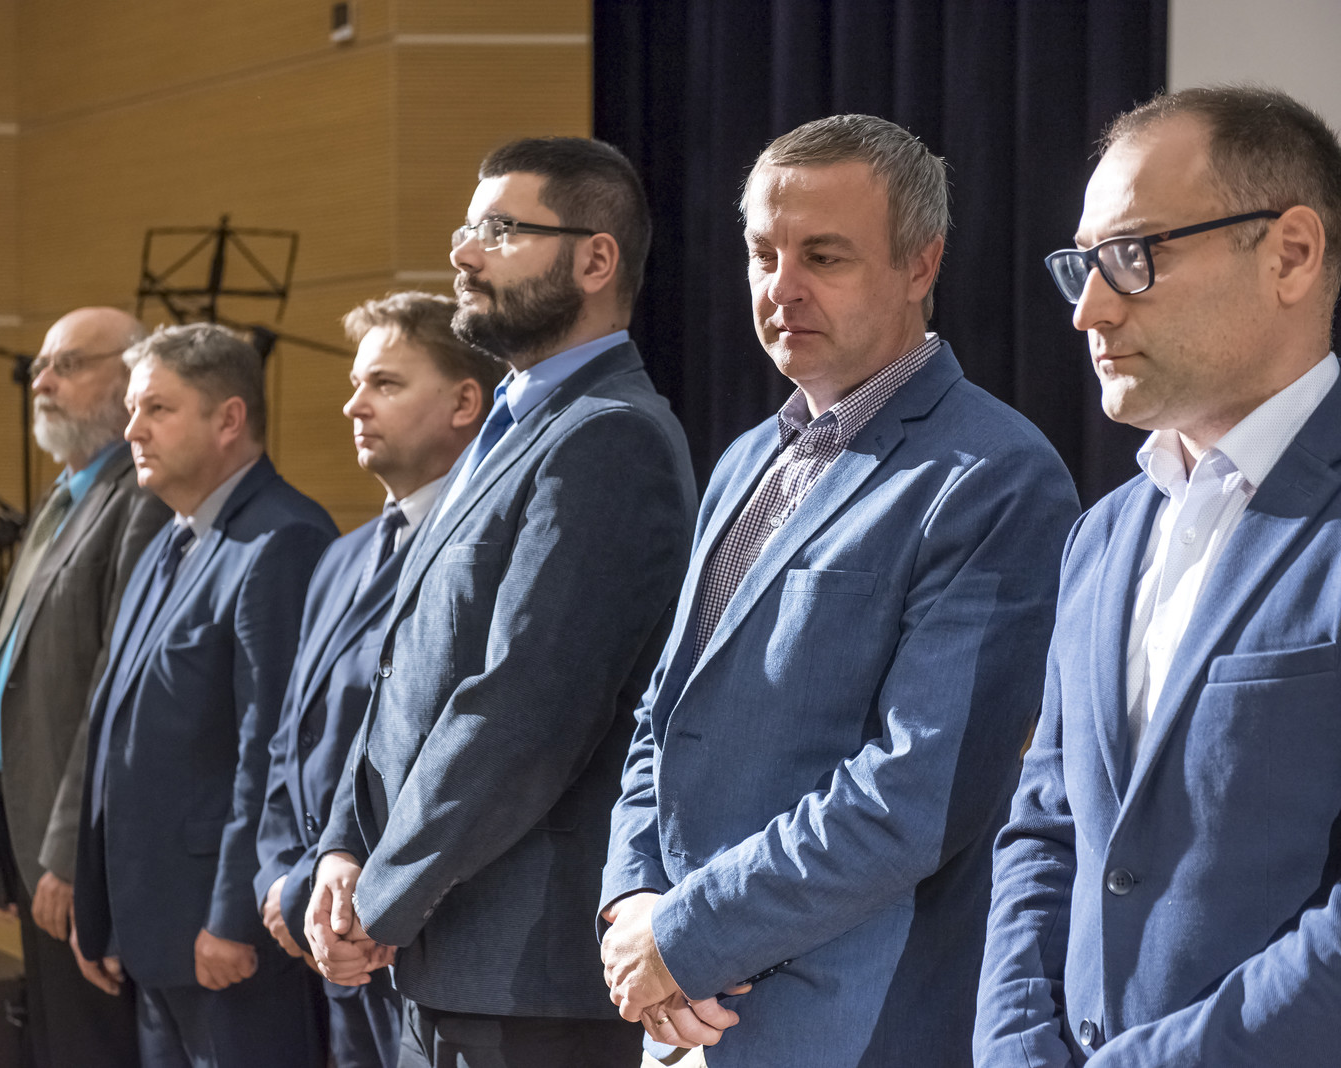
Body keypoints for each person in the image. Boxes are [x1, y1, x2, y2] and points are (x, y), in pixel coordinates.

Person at [598, 114, 1080, 1067]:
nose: (782, 287)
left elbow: (915, 792)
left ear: (920, 264)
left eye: (823, 256)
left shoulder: (996, 475)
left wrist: (686, 937)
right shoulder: (744, 461)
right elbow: (666, 713)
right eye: (762, 254)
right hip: (675, 1007)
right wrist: (633, 902)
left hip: (851, 1023)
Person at [306, 136, 698, 1068]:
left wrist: (383, 895)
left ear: (595, 259)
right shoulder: (513, 427)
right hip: (444, 957)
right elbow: (404, 671)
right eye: (465, 229)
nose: (463, 253)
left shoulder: (610, 438)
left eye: (498, 230)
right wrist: (343, 848)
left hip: (526, 977)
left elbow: (523, 709)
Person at [976, 86, 1341, 1066]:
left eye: (1134, 256)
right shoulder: (1100, 537)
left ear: (1290, 254)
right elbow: (1046, 832)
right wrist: (1015, 1050)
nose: (1089, 308)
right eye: (1083, 264)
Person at [72, 323, 337, 1068]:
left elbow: (272, 751)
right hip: (155, 930)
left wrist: (233, 920)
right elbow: (116, 727)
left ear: (229, 419)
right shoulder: (169, 538)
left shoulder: (282, 540)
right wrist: (101, 905)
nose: (132, 429)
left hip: (223, 938)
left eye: (157, 409)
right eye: (132, 410)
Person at [253, 291, 502, 1068]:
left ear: (466, 402)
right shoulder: (340, 557)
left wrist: (368, 901)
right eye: (356, 383)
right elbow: (290, 739)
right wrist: (284, 880)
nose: (354, 405)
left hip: (417, 936)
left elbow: (465, 749)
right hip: (330, 931)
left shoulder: (486, 553)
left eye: (385, 384)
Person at [0, 306, 167, 1068]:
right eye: (40, 367)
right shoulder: (64, 495)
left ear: (131, 377)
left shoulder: (139, 499)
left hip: (77, 849)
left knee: (91, 1047)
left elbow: (113, 692)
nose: (42, 382)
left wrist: (67, 854)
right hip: (28, 825)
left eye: (69, 365)